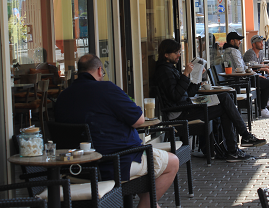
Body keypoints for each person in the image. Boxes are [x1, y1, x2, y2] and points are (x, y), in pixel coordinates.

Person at [55, 54, 179, 208]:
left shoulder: (63, 97)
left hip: (75, 169)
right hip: (114, 164)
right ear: (100, 71)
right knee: (172, 162)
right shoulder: (106, 88)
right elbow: (139, 120)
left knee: (147, 173)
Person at [153, 39, 266, 163]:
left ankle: (238, 145)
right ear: (166, 54)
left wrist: (197, 77)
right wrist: (185, 75)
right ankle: (239, 143)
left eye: (179, 52)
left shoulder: (171, 69)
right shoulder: (164, 71)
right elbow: (175, 96)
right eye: (176, 52)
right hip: (181, 113)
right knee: (225, 105)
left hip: (187, 107)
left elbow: (188, 93)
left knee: (224, 97)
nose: (179, 55)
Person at [222, 32, 269, 118]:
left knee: (266, 81)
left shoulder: (226, 51)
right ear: (232, 41)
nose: (240, 42)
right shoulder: (234, 51)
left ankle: (264, 105)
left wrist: (256, 74)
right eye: (238, 40)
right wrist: (255, 75)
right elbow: (241, 68)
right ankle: (262, 108)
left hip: (235, 80)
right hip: (241, 81)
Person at [243, 34, 269, 111]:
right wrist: (267, 70)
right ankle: (266, 103)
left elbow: (262, 65)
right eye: (259, 42)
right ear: (254, 44)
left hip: (259, 74)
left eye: (262, 42)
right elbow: (251, 68)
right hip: (251, 76)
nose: (262, 44)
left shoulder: (261, 53)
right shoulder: (250, 53)